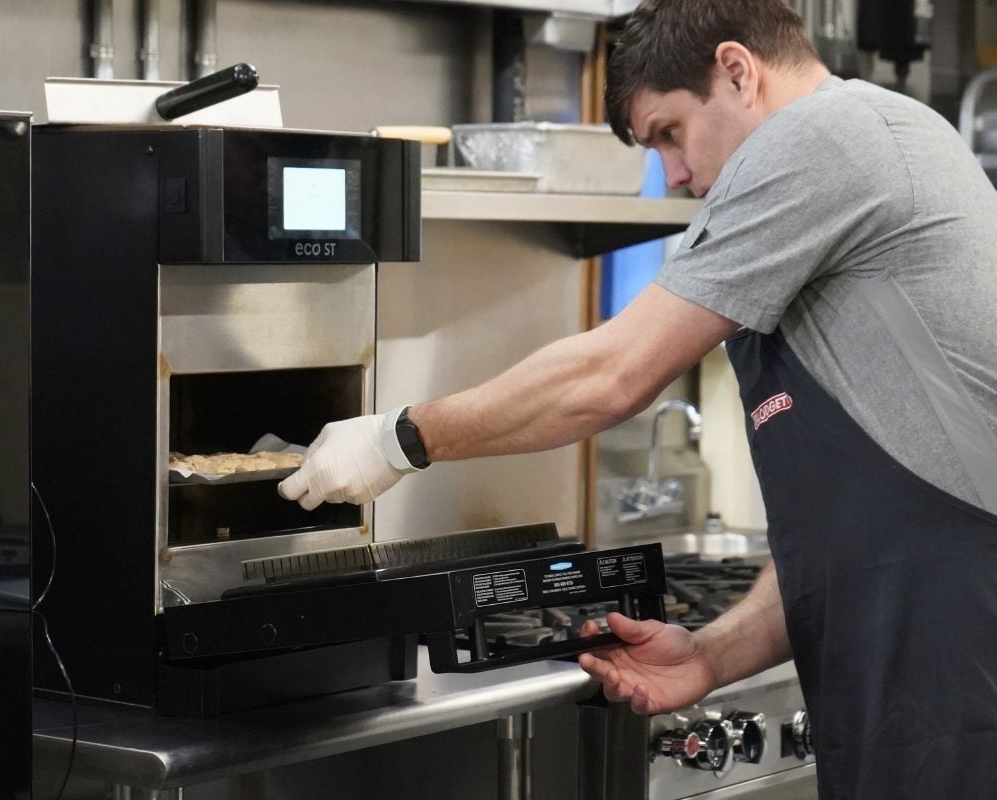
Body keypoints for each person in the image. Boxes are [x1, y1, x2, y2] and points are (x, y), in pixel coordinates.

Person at [279, 0, 997, 796]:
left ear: (736, 70)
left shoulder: (822, 138)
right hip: (927, 640)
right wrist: (713, 655)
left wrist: (398, 439)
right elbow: (852, 527)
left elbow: (612, 373)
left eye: (669, 133)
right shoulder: (882, 134)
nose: (678, 175)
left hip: (959, 646)